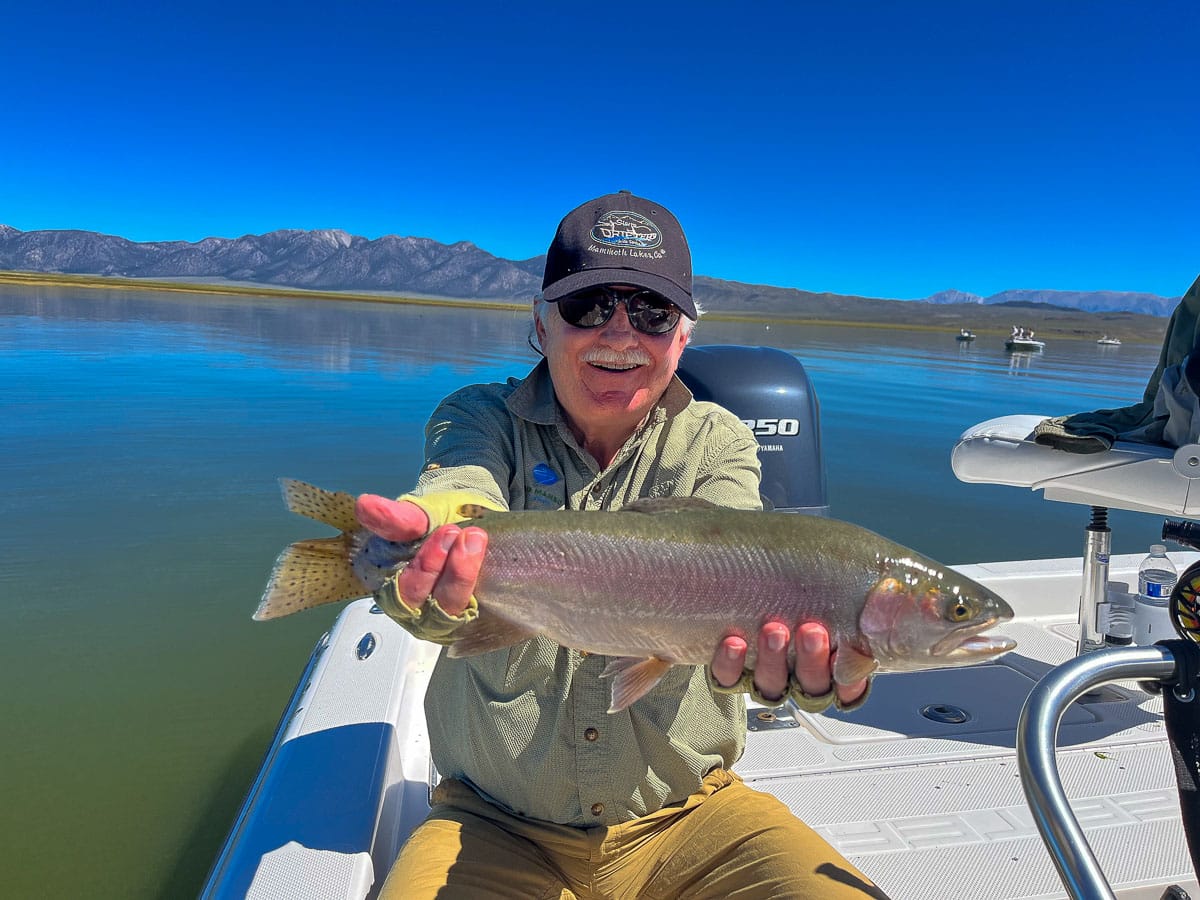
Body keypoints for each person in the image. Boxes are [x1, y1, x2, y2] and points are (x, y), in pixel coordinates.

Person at [353, 190, 885, 899]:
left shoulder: (718, 441)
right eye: (589, 306)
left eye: (652, 312)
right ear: (541, 326)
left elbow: (742, 560)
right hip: (491, 826)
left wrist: (806, 670)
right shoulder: (478, 418)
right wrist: (430, 532)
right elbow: (461, 484)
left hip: (695, 821)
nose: (620, 332)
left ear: (683, 337)